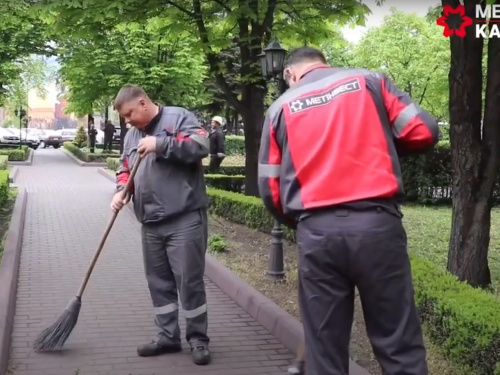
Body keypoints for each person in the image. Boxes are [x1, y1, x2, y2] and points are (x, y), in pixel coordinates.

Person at [258, 46, 439, 375]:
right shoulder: (370, 80)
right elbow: (424, 131)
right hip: (377, 227)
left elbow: (271, 190)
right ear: (323, 62)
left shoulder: (280, 107)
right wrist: (384, 140)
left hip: (317, 234)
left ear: (290, 74)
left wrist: (304, 223)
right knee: (398, 343)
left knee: (323, 349)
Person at [110, 85, 212, 365]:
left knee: (189, 282)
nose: (127, 121)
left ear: (143, 103)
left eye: (130, 114)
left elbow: (201, 146)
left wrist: (161, 144)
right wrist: (121, 191)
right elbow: (125, 168)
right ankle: (168, 336)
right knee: (159, 283)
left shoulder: (179, 118)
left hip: (184, 217)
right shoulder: (131, 134)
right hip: (151, 223)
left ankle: (198, 340)